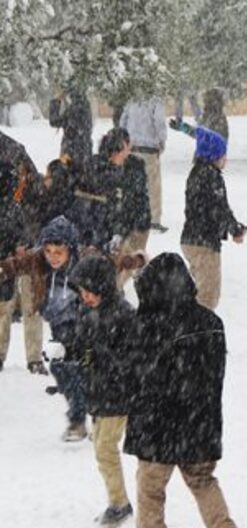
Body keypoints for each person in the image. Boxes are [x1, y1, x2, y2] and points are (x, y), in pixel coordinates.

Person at [125, 253, 242, 528]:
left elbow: (140, 376)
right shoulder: (211, 321)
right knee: (202, 481)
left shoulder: (149, 325)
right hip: (201, 421)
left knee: (151, 491)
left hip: (157, 426)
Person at [0, 217, 144, 441]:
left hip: (86, 321)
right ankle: (80, 412)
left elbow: (111, 261)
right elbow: (17, 264)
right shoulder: (39, 260)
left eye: (59, 252)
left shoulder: (84, 259)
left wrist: (134, 260)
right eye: (48, 251)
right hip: (58, 322)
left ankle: (86, 417)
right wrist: (4, 269)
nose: (53, 257)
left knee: (86, 367)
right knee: (60, 368)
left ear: (70, 248)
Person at [69, 255, 137, 528]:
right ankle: (118, 500)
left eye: (89, 292)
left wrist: (98, 355)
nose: (85, 297)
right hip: (98, 392)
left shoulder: (122, 314)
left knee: (105, 448)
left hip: (118, 395)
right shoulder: (87, 312)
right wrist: (70, 357)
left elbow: (130, 360)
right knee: (102, 448)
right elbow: (84, 348)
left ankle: (119, 503)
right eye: (81, 292)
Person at [180, 127, 247, 310]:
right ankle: (199, 330)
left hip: (190, 239)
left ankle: (193, 323)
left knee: (198, 289)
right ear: (214, 155)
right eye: (223, 155)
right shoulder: (212, 177)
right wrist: (235, 229)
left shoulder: (195, 173)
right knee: (208, 295)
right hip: (205, 243)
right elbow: (219, 208)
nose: (226, 159)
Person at [96, 128, 151, 290]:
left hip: (136, 223)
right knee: (116, 264)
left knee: (128, 262)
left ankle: (115, 291)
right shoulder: (104, 165)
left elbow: (134, 198)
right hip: (114, 223)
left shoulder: (135, 165)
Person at [120, 96, 168, 233]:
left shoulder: (131, 100)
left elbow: (123, 121)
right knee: (152, 185)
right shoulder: (155, 101)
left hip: (132, 148)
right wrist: (161, 142)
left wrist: (124, 142)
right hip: (149, 149)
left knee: (131, 184)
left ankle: (131, 215)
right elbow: (159, 123)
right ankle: (153, 220)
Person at [0, 161, 30, 373]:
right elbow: (22, 243)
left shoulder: (13, 209)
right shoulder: (14, 209)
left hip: (6, 266)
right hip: (7, 267)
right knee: (3, 312)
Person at [48, 87, 93, 173]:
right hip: (85, 148)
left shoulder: (73, 109)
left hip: (71, 149)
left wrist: (56, 101)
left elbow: (54, 121)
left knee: (68, 176)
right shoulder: (86, 107)